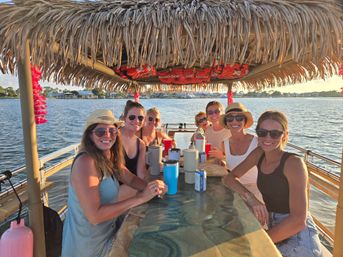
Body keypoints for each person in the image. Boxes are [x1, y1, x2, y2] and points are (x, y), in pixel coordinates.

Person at [61, 109, 167, 257]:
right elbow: (95, 216)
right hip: (88, 247)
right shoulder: (86, 162)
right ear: (90, 135)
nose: (107, 135)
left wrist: (153, 188)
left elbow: (129, 178)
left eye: (112, 130)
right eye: (100, 131)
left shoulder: (107, 155)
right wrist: (141, 197)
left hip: (108, 233)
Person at [222, 111, 323, 257]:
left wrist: (261, 240)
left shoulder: (293, 164)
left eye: (275, 133)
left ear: (284, 135)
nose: (267, 138)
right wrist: (252, 199)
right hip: (274, 228)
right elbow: (230, 178)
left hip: (298, 236)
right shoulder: (259, 154)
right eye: (262, 132)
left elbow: (298, 221)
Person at [220, 102, 262, 202]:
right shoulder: (224, 144)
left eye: (239, 118)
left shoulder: (257, 142)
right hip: (232, 189)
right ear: (226, 122)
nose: (234, 121)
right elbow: (230, 166)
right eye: (230, 118)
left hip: (255, 191)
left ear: (244, 121)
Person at [120, 100, 147, 180]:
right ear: (125, 118)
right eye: (132, 117)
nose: (137, 121)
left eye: (140, 118)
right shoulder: (113, 137)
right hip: (113, 187)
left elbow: (141, 174)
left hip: (132, 186)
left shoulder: (141, 144)